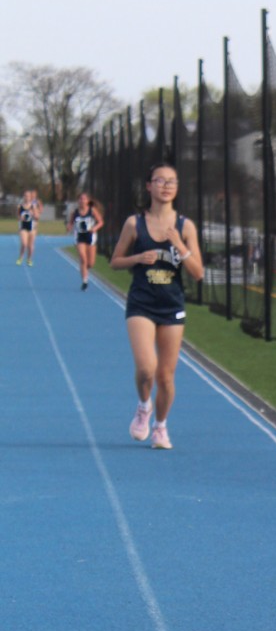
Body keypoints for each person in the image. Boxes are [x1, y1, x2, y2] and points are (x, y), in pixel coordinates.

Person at [109, 162, 205, 449]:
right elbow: (115, 261)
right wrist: (138, 259)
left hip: (171, 305)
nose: (166, 186)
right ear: (149, 186)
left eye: (171, 181)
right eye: (160, 180)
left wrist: (180, 246)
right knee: (146, 369)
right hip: (141, 303)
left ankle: (160, 428)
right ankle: (143, 407)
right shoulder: (134, 223)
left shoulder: (185, 226)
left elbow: (198, 273)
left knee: (165, 376)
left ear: (177, 188)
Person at [67, 192, 104, 289]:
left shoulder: (92, 210)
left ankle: (84, 269)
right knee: (83, 258)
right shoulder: (75, 212)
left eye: (84, 199)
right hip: (79, 236)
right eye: (80, 199)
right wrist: (69, 226)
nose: (82, 201)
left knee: (90, 263)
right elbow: (70, 223)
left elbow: (100, 222)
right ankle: (85, 281)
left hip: (90, 236)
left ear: (88, 201)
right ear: (78, 201)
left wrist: (94, 228)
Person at [16, 189, 42, 266]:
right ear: (24, 197)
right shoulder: (20, 206)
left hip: (32, 228)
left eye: (28, 196)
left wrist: (33, 213)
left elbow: (37, 217)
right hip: (23, 227)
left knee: (30, 246)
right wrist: (21, 217)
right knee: (24, 244)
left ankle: (29, 259)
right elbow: (18, 217)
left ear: (31, 197)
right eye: (25, 196)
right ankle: (21, 257)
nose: (27, 197)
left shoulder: (33, 206)